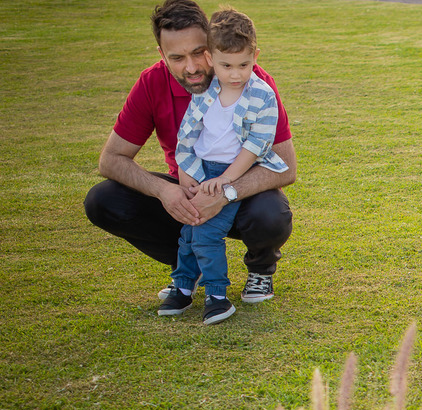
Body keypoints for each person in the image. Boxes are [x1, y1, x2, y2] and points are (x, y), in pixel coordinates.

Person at [84, 0, 295, 306]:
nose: (192, 67)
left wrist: (226, 192)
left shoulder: (250, 81)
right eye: (177, 58)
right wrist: (163, 192)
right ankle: (189, 267)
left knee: (271, 214)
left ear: (211, 46)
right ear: (162, 55)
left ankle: (260, 269)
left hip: (241, 197)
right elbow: (111, 159)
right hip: (186, 198)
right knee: (103, 200)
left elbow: (286, 168)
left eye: (198, 53)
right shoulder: (151, 82)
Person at [158, 7, 288, 324]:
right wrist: (187, 173)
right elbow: (189, 131)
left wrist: (227, 181)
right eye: (226, 65)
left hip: (231, 173)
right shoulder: (208, 89)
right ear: (211, 59)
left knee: (206, 234)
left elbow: (256, 144)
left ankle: (217, 296)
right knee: (188, 233)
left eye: (244, 64)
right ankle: (183, 286)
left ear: (255, 55)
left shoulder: (262, 94)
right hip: (200, 170)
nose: (235, 74)